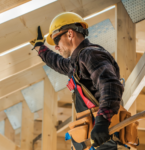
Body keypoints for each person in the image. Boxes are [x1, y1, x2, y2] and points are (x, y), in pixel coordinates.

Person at [30, 12, 127, 150]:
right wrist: (40, 47)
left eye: (56, 41)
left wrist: (102, 121)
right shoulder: (76, 62)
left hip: (104, 140)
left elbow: (110, 85)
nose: (56, 47)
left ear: (70, 34)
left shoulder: (90, 54)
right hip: (96, 141)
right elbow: (56, 62)